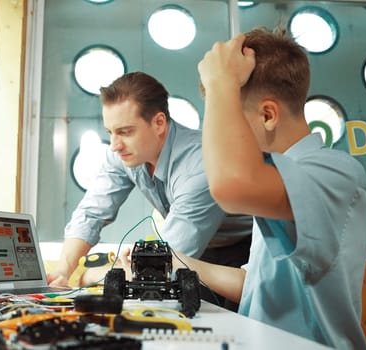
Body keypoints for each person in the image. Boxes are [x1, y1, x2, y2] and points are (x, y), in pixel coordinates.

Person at [176, 27, 366, 349]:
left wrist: (220, 82)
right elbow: (254, 285)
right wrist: (177, 261)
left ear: (268, 115)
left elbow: (230, 185)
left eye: (231, 118)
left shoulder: (333, 173)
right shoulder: (278, 178)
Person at [47, 71, 252, 310]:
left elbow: (165, 262)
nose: (114, 145)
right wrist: (63, 271)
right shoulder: (124, 154)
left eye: (125, 131)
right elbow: (92, 212)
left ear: (159, 123)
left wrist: (90, 277)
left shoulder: (199, 165)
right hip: (194, 251)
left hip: (239, 254)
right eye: (110, 132)